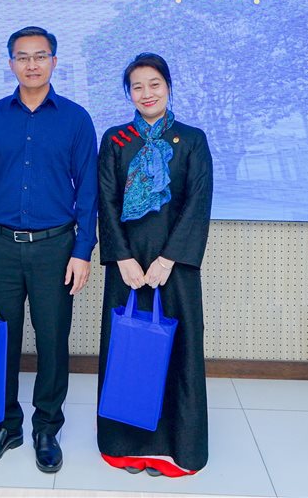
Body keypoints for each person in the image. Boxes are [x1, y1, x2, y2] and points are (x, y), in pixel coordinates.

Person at [0, 26, 98, 473]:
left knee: (53, 340)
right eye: (22, 57)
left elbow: (89, 191)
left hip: (56, 248)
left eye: (40, 56)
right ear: (11, 64)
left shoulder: (76, 119)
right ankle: (6, 425)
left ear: (54, 62)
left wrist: (83, 250)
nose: (32, 64)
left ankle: (47, 427)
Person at [95, 52, 213, 477]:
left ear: (168, 87)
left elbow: (198, 202)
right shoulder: (116, 139)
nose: (146, 93)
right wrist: (122, 257)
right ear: (128, 93)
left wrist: (169, 259)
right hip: (127, 266)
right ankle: (125, 446)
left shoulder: (192, 139)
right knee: (128, 353)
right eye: (137, 86)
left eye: (154, 84)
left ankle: (175, 449)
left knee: (178, 352)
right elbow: (105, 202)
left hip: (175, 267)